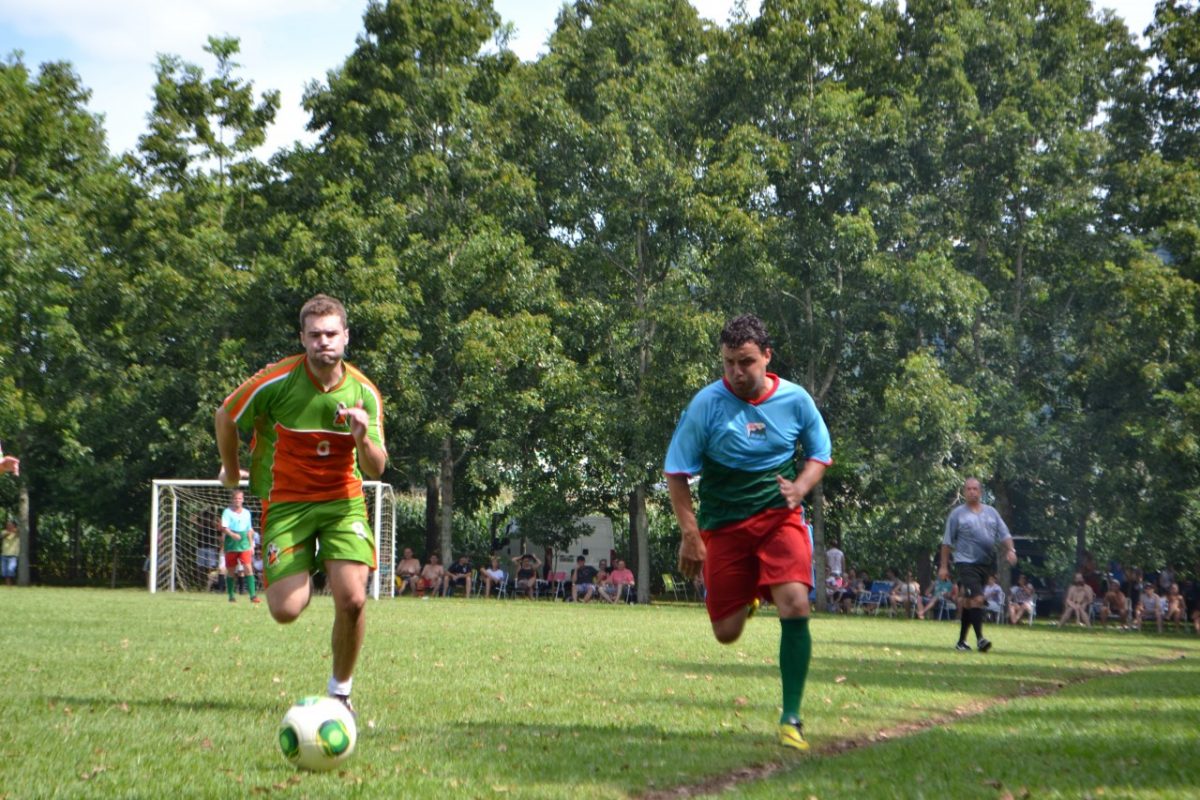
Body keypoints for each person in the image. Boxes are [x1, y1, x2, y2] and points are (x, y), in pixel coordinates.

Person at [665, 314, 832, 752]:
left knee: (796, 604)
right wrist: (690, 534)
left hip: (780, 519)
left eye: (746, 362)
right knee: (726, 632)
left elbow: (820, 453)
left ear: (767, 357)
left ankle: (791, 717)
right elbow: (676, 472)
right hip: (724, 525)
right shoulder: (706, 404)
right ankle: (753, 595)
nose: (736, 372)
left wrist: (801, 486)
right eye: (728, 363)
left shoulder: (795, 400)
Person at [215, 294, 387, 715]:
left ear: (345, 337)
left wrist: (362, 436)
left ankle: (341, 693)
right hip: (287, 503)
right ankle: (305, 565)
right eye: (314, 335)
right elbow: (225, 415)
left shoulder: (364, 392)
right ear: (302, 339)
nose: (323, 342)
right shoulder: (275, 381)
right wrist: (232, 469)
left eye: (331, 334)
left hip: (342, 502)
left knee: (353, 600)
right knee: (287, 610)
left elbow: (377, 469)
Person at [939, 477, 1018, 653]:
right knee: (977, 598)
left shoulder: (991, 512)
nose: (972, 492)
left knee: (969, 603)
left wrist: (1011, 550)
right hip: (965, 563)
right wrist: (944, 566)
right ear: (964, 492)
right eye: (969, 489)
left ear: (980, 492)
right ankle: (981, 639)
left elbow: (1004, 534)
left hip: (985, 564)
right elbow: (946, 543)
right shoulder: (957, 514)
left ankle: (961, 642)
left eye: (975, 489)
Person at [220, 489, 260, 604]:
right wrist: (232, 534)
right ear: (232, 500)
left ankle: (253, 596)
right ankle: (231, 596)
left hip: (244, 544)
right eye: (235, 498)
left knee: (248, 568)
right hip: (231, 543)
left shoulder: (247, 513)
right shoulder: (227, 512)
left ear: (242, 499)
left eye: (240, 498)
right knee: (231, 570)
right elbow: (224, 527)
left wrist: (251, 544)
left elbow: (249, 529)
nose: (238, 500)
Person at [1, 520, 18, 587]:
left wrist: (14, 530)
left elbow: (19, 531)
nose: (9, 526)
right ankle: (8, 585)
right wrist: (9, 532)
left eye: (10, 525)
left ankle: (11, 584)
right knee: (4, 571)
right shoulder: (4, 532)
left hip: (13, 555)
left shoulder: (16, 533)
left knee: (11, 570)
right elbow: (2, 536)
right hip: (4, 554)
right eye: (7, 525)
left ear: (14, 525)